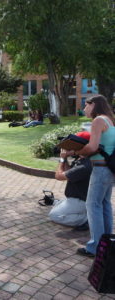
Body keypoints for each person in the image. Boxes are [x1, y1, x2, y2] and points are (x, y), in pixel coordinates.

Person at [75, 95, 115, 258]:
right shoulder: (110, 120)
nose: (84, 108)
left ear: (94, 105)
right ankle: (107, 242)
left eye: (86, 105)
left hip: (100, 169)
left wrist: (77, 151)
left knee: (92, 205)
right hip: (110, 169)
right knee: (104, 204)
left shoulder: (98, 120)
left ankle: (96, 247)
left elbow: (92, 147)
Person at [49, 132, 92, 229]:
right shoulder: (83, 160)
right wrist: (66, 159)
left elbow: (59, 176)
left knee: (54, 215)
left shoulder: (84, 165)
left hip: (81, 201)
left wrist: (62, 158)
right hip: (76, 199)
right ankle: (86, 214)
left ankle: (87, 219)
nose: (71, 148)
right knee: (55, 203)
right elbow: (68, 172)